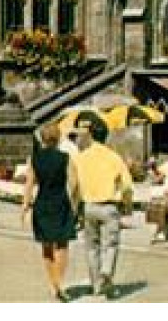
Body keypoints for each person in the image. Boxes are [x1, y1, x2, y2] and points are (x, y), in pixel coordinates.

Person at [72, 117, 133, 299]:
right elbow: (127, 186)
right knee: (111, 244)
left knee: (91, 247)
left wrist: (75, 210)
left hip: (88, 206)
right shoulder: (114, 157)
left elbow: (74, 186)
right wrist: (127, 205)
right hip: (109, 206)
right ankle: (107, 271)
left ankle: (96, 285)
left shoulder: (80, 158)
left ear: (91, 135)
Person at [21, 122, 78, 302]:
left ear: (42, 139)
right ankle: (60, 282)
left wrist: (25, 206)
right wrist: (75, 203)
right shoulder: (65, 157)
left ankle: (53, 283)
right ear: (59, 138)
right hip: (60, 202)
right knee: (62, 245)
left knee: (47, 245)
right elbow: (74, 182)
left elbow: (29, 184)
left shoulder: (34, 159)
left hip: (42, 204)